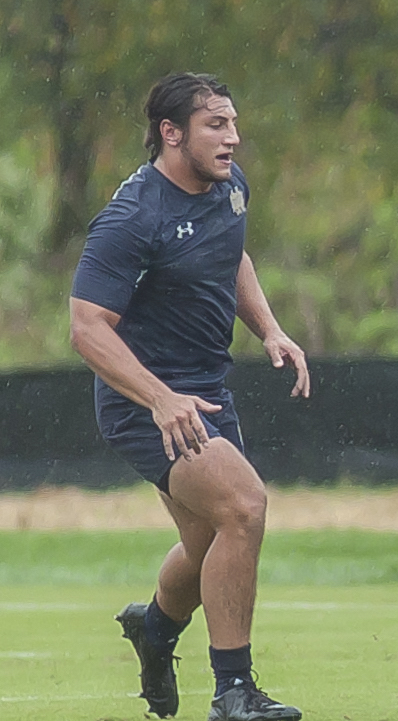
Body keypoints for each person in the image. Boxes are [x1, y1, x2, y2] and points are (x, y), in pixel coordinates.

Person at [69, 73, 307, 721]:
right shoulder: (133, 216)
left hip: (206, 392)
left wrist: (270, 328)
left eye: (233, 123)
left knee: (208, 547)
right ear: (171, 134)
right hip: (142, 401)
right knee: (245, 505)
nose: (233, 137)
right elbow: (86, 327)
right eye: (216, 125)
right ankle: (234, 691)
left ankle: (154, 626)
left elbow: (233, 255)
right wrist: (159, 398)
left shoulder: (228, 186)